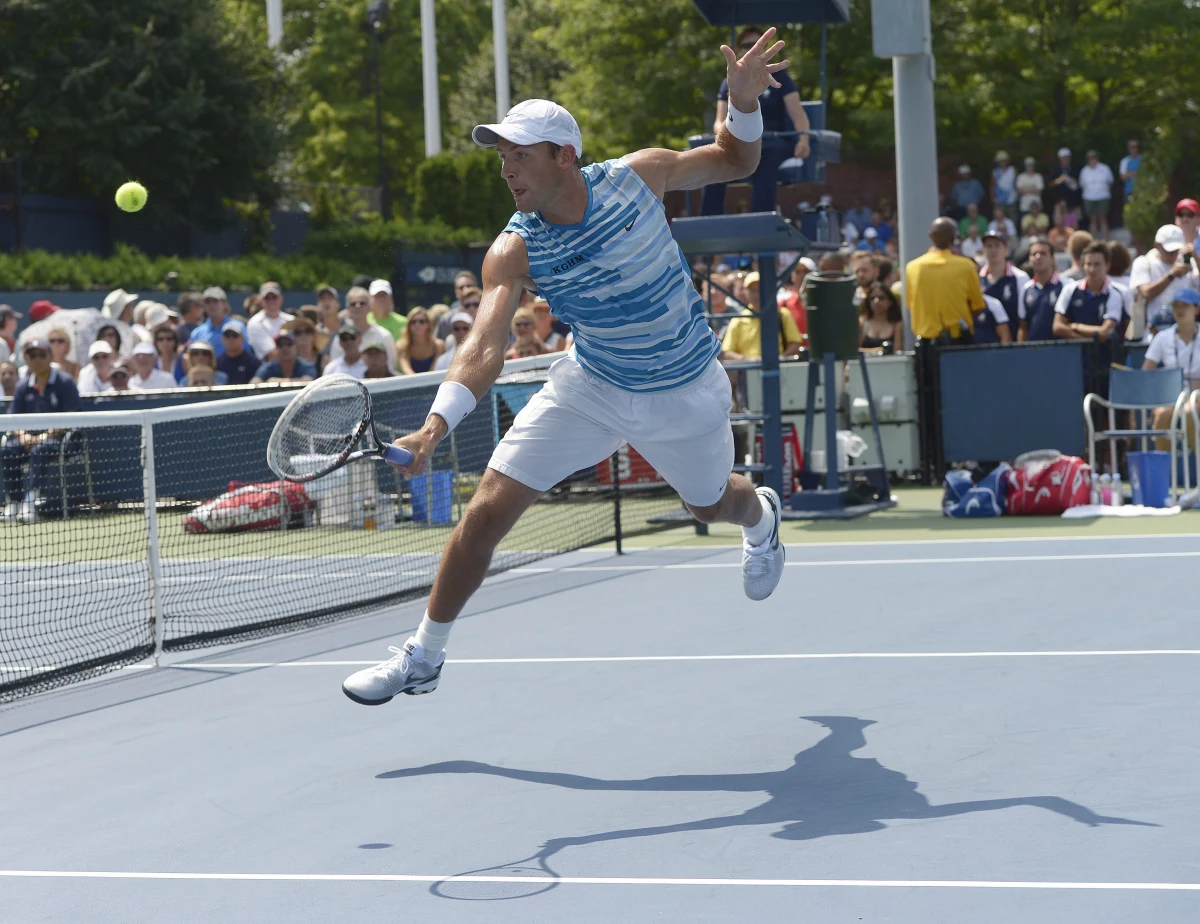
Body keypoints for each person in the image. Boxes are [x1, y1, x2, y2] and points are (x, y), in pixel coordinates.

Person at [342, 38, 793, 705]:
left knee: (709, 505)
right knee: (485, 511)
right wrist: (435, 428)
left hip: (685, 388)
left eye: (520, 155)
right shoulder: (514, 248)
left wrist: (746, 104)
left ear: (565, 155)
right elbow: (485, 345)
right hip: (593, 386)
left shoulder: (639, 176)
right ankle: (423, 656)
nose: (507, 170)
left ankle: (760, 516)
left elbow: (736, 159)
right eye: (502, 157)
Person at [700, 25, 809, 216]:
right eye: (746, 45)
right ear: (738, 49)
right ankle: (708, 221)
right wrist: (725, 137)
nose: (751, 49)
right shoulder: (730, 81)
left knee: (766, 157)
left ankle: (760, 219)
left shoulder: (780, 78)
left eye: (757, 45)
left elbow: (798, 114)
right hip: (740, 139)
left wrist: (804, 140)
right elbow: (719, 122)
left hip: (774, 141)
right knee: (714, 159)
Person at [1, 338, 84, 523]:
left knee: (41, 449)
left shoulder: (64, 382)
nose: (37, 359)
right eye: (32, 355)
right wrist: (23, 436)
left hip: (63, 441)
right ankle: (14, 503)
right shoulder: (23, 386)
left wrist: (41, 438)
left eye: (41, 355)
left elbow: (71, 417)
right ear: (26, 359)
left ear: (50, 357)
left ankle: (30, 502)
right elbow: (13, 418)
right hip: (28, 441)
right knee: (8, 449)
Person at [905, 217, 986, 343]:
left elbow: (911, 305)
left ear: (931, 236)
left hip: (926, 342)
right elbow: (978, 306)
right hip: (958, 339)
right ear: (953, 238)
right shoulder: (966, 266)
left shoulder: (913, 267)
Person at [1142, 289, 1200, 447]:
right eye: (1176, 306)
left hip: (1197, 395)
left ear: (1196, 309)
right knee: (1162, 413)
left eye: (1185, 305)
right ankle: (1164, 462)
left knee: (1189, 412)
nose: (1179, 310)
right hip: (1171, 397)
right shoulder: (1162, 337)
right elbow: (1146, 374)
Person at [1052, 242, 1125, 350]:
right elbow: (1057, 327)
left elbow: (1104, 333)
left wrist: (1075, 326)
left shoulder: (1114, 295)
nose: (1092, 269)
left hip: (1103, 357)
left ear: (1107, 266)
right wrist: (1085, 342)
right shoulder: (1070, 289)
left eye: (1097, 264)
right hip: (1073, 356)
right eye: (1088, 264)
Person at [1129, 224, 1198, 337]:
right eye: (1169, 251)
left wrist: (1196, 256)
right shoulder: (1143, 262)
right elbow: (1146, 292)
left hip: (1184, 332)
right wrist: (1172, 275)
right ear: (1157, 245)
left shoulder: (1188, 262)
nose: (1173, 255)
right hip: (1153, 331)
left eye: (1176, 250)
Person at [720, 271, 804, 360]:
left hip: (777, 367)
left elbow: (795, 343)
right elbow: (727, 352)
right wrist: (749, 361)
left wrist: (780, 360)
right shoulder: (738, 319)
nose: (757, 294)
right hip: (749, 368)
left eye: (761, 289)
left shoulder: (783, 314)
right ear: (745, 292)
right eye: (753, 290)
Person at [979, 229, 1029, 341]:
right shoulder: (978, 279)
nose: (993, 250)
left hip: (1015, 342)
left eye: (997, 245)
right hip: (985, 343)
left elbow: (1025, 316)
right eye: (989, 246)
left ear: (1006, 249)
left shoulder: (1020, 277)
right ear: (983, 250)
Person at [1018, 238, 1062, 342]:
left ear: (1052, 259)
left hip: (1062, 348)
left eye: (1043, 253)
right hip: (1033, 349)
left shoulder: (1066, 285)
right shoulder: (1026, 289)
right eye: (1034, 254)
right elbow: (1023, 327)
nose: (1038, 257)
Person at [191, 288, 248, 357]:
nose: (211, 305)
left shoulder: (238, 327)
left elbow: (246, 353)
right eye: (208, 302)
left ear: (224, 304)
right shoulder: (197, 333)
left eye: (215, 301)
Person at [246, 282, 294, 359]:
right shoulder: (255, 323)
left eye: (274, 297)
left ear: (281, 298)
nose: (271, 301)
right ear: (261, 300)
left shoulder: (291, 319)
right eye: (267, 298)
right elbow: (271, 355)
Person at [251, 331, 316, 383]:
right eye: (280, 344)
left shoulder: (306, 366)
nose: (285, 348)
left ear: (296, 347)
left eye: (289, 343)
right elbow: (254, 382)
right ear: (276, 348)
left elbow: (308, 381)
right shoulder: (269, 367)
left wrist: (276, 381)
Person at [396, 306, 444, 374]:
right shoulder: (402, 346)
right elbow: (407, 370)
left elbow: (434, 370)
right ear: (408, 325)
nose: (417, 324)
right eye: (413, 322)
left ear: (428, 324)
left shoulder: (439, 345)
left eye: (421, 321)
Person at [859, 284, 904, 355]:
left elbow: (897, 351)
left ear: (890, 301)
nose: (876, 301)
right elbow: (854, 351)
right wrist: (877, 351)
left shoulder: (897, 325)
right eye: (872, 298)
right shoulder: (862, 322)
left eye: (881, 298)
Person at [1079, 150, 1114, 240]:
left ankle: (1105, 240)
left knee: (1103, 219)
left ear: (1097, 158)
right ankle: (1093, 241)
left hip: (1103, 197)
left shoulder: (1105, 168)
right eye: (1090, 158)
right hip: (1089, 198)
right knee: (1092, 219)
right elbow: (1082, 185)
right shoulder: (1084, 171)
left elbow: (1110, 182)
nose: (1092, 160)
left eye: (1094, 158)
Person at [1047, 147, 1082, 229]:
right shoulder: (1055, 170)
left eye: (1067, 157)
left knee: (1074, 225)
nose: (1065, 160)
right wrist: (1058, 181)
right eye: (1063, 158)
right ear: (1060, 158)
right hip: (1060, 203)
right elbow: (1049, 184)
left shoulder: (1075, 169)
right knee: (1060, 224)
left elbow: (1082, 182)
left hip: (1074, 202)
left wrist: (1074, 181)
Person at [991, 151, 1017, 219]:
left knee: (1012, 218)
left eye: (1004, 161)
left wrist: (1016, 195)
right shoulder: (995, 172)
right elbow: (992, 186)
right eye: (1001, 161)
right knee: (999, 218)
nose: (1003, 163)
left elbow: (1016, 183)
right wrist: (993, 198)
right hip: (999, 199)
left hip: (1011, 199)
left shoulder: (1012, 170)